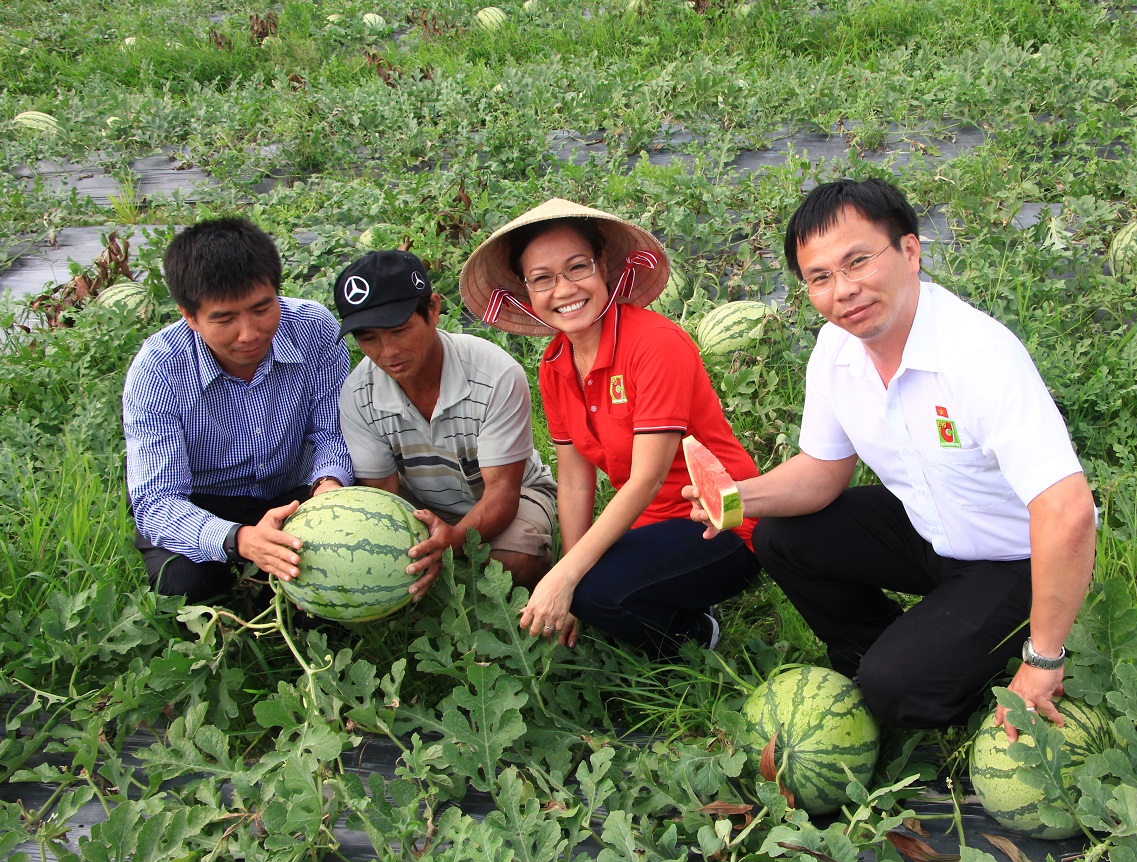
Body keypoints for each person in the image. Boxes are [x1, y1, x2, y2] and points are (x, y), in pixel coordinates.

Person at [685, 179, 1097, 739]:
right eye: (821, 278)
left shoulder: (977, 357)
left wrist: (1044, 659)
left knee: (896, 693)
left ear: (909, 250)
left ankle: (944, 675)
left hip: (1015, 559)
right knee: (780, 534)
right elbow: (821, 472)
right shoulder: (835, 351)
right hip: (929, 527)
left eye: (859, 261)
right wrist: (735, 499)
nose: (844, 290)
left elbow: (1068, 509)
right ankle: (884, 655)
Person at [460, 199, 760, 655]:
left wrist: (568, 577)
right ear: (527, 292)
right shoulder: (554, 362)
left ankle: (698, 636)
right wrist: (569, 569)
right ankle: (661, 596)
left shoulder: (655, 344)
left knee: (590, 589)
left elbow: (648, 477)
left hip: (724, 521)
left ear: (603, 267)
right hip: (648, 523)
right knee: (586, 589)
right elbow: (575, 480)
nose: (563, 290)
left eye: (577, 268)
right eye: (542, 278)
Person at [123, 217, 353, 603]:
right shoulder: (158, 369)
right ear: (189, 316)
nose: (249, 333)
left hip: (296, 489)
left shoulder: (314, 330)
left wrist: (328, 485)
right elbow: (158, 500)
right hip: (206, 499)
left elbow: (330, 432)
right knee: (184, 584)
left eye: (262, 309)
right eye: (225, 319)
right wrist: (238, 538)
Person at [332, 249, 558, 597]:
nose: (387, 351)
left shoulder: (495, 374)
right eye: (368, 339)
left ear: (433, 309)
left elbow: (501, 494)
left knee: (514, 562)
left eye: (399, 330)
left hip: (510, 494)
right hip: (423, 503)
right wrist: (399, 551)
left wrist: (451, 541)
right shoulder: (358, 393)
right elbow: (382, 499)